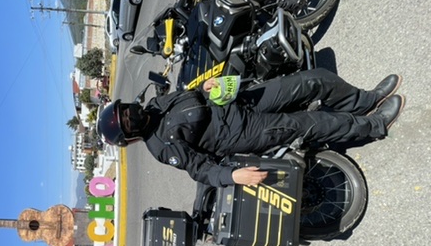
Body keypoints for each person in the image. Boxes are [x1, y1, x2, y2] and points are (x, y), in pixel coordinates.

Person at [97, 68, 405, 187]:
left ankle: (364, 101)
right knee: (311, 123)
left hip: (239, 101)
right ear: (130, 136)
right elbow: (199, 169)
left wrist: (206, 87)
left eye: (125, 109)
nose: (130, 113)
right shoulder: (162, 147)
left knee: (312, 81)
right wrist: (231, 176)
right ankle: (375, 124)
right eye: (126, 119)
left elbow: (190, 96)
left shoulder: (155, 104)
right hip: (243, 131)